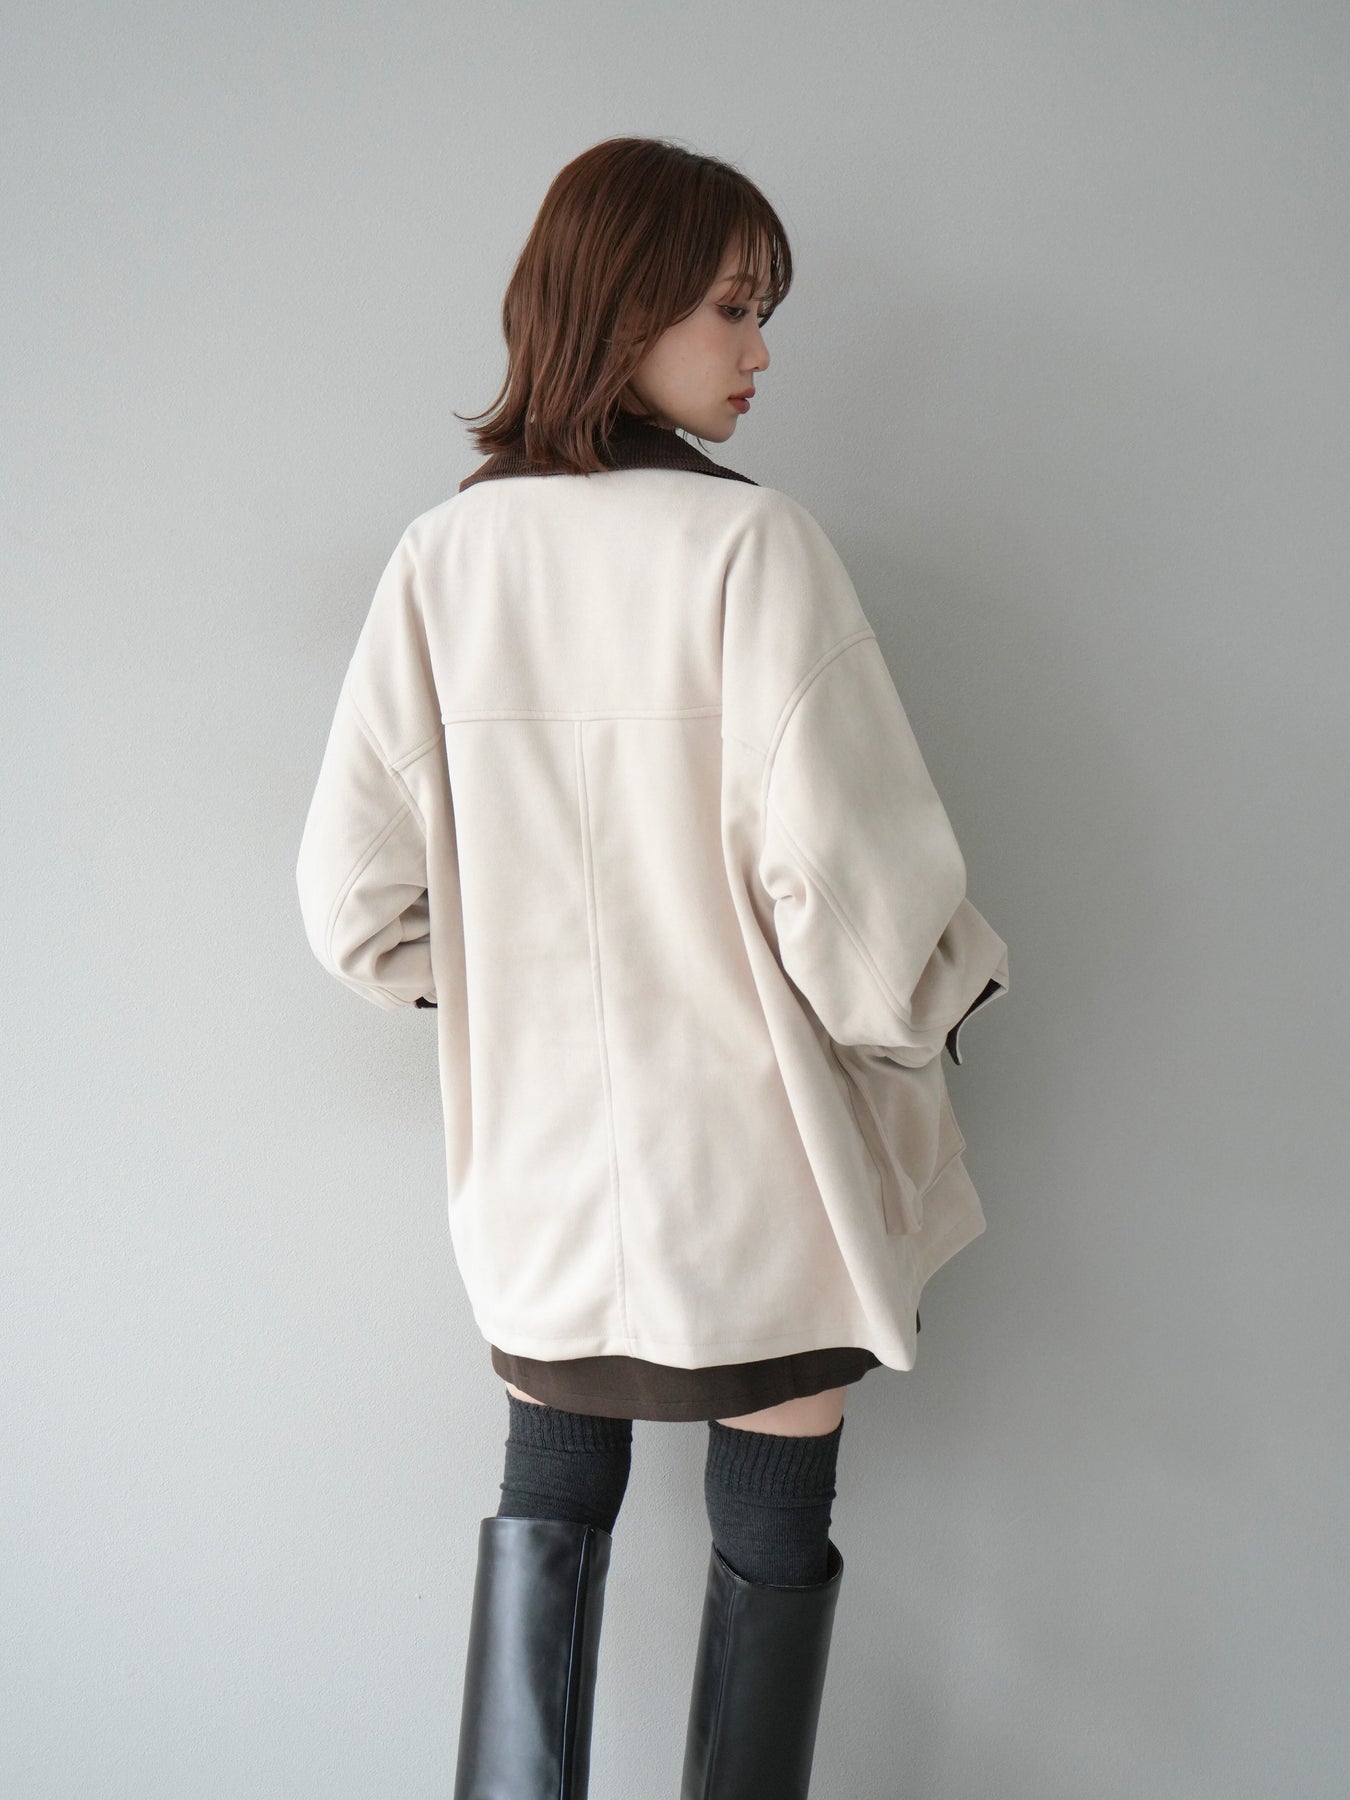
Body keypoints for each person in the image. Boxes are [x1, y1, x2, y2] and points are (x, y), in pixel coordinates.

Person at [295, 135, 1009, 1800]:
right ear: (627, 308)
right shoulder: (751, 551)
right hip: (759, 1161)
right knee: (772, 1514)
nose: (761, 352)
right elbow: (855, 902)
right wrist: (946, 994)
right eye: (734, 308)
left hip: (540, 1168)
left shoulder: (442, 561)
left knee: (549, 1487)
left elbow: (353, 905)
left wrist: (508, 986)